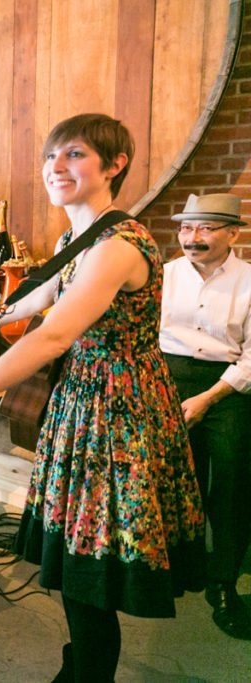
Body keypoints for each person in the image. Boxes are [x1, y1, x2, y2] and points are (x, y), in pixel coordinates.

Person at [0, 113, 205, 681]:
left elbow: (55, 335)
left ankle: (88, 673)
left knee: (94, 568)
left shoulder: (120, 244)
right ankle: (80, 665)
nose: (56, 167)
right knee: (73, 557)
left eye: (74, 155)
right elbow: (40, 297)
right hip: (82, 406)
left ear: (115, 165)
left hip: (119, 415)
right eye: (50, 156)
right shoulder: (78, 237)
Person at [160, 192, 251, 640]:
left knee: (231, 483)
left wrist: (209, 398)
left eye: (204, 229)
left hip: (229, 386)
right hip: (167, 378)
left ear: (233, 233)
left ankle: (223, 583)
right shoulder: (164, 275)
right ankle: (180, 569)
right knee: (176, 479)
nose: (191, 238)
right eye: (185, 228)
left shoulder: (250, 281)